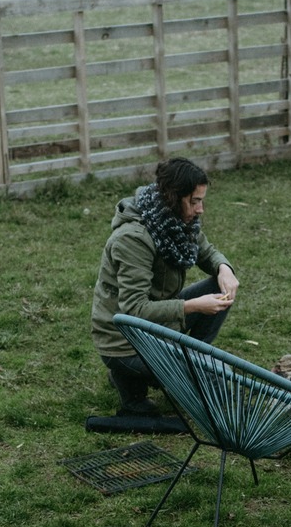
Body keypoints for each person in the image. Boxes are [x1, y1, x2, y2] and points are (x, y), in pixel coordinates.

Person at [90, 158, 241, 416]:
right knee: (211, 379)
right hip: (124, 339)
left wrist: (223, 268)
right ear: (173, 197)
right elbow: (133, 312)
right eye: (195, 201)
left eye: (202, 200)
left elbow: (206, 252)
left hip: (156, 325)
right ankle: (133, 379)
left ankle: (184, 360)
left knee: (218, 286)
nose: (201, 209)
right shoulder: (133, 239)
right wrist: (192, 306)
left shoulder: (174, 221)